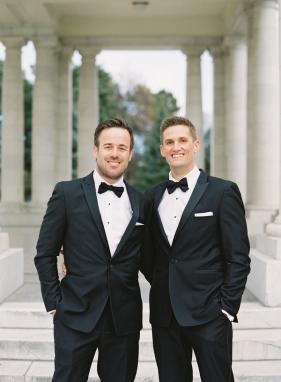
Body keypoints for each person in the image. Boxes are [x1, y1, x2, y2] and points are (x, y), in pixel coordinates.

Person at [34, 118, 145, 382]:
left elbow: (151, 257)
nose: (115, 153)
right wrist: (54, 304)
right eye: (108, 146)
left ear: (130, 154)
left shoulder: (142, 201)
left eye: (122, 147)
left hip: (124, 319)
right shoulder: (66, 193)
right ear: (95, 150)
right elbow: (45, 253)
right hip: (74, 313)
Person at [143, 116, 251, 382]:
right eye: (169, 142)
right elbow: (146, 255)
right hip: (165, 316)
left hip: (210, 314)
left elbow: (238, 256)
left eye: (182, 140)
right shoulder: (151, 197)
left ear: (195, 145)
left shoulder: (222, 192)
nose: (175, 147)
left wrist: (226, 307)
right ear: (162, 149)